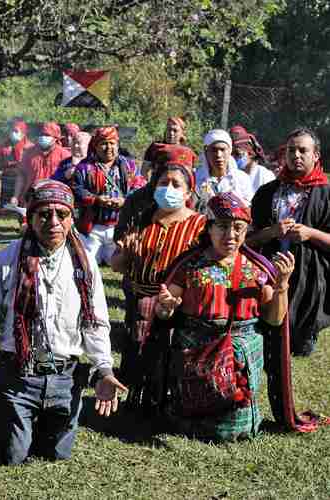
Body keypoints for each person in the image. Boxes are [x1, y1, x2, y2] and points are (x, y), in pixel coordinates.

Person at [0, 180, 126, 465]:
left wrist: (104, 369)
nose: (53, 222)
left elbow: (96, 323)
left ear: (71, 217)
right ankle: (6, 412)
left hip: (65, 379)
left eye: (61, 214)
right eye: (44, 214)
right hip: (18, 375)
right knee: (13, 456)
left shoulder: (85, 263)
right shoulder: (7, 259)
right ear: (31, 218)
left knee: (56, 455)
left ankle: (36, 419)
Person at [154, 192, 296, 440]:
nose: (230, 235)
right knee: (192, 407)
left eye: (239, 228)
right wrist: (166, 307)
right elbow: (164, 312)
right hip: (195, 350)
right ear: (208, 229)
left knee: (236, 424)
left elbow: (274, 320)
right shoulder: (189, 266)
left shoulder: (259, 270)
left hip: (242, 349)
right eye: (222, 227)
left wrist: (282, 284)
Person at [111, 148, 205, 412]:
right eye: (164, 183)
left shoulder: (199, 225)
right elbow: (117, 265)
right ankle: (136, 402)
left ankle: (165, 403)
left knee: (166, 356)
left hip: (176, 306)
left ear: (188, 193)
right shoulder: (142, 219)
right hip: (139, 300)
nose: (169, 188)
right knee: (136, 351)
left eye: (177, 184)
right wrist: (127, 253)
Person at [248, 127, 330, 356]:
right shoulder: (267, 192)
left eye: (303, 150)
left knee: (299, 347)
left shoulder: (326, 194)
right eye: (291, 150)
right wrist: (272, 232)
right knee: (266, 340)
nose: (296, 155)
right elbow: (248, 240)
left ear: (315, 155)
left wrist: (310, 233)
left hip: (309, 278)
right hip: (268, 273)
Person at [72, 126, 133, 265]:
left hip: (120, 225)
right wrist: (96, 199)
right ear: (95, 146)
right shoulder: (84, 167)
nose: (108, 147)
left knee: (120, 262)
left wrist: (125, 201)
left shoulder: (128, 165)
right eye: (103, 143)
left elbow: (138, 186)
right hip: (93, 226)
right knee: (86, 262)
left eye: (112, 143)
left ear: (118, 145)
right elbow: (76, 188)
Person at [11, 122, 70, 205]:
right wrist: (15, 196)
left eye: (47, 135)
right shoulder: (29, 152)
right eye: (41, 134)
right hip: (31, 199)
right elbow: (21, 176)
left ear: (56, 138)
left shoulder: (64, 155)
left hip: (54, 199)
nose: (43, 137)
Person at [195, 129, 253, 205]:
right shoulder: (196, 179)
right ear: (206, 152)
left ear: (229, 151)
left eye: (222, 150)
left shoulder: (242, 179)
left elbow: (248, 209)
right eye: (214, 150)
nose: (219, 155)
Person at [0, 120, 33, 207]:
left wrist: (14, 164)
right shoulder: (5, 146)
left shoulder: (30, 147)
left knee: (20, 201)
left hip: (22, 179)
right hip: (7, 177)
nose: (13, 133)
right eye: (12, 131)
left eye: (16, 131)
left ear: (23, 133)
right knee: (5, 204)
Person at [230, 125, 275, 192]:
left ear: (250, 153)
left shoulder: (264, 175)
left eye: (237, 154)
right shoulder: (232, 175)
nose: (234, 159)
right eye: (232, 155)